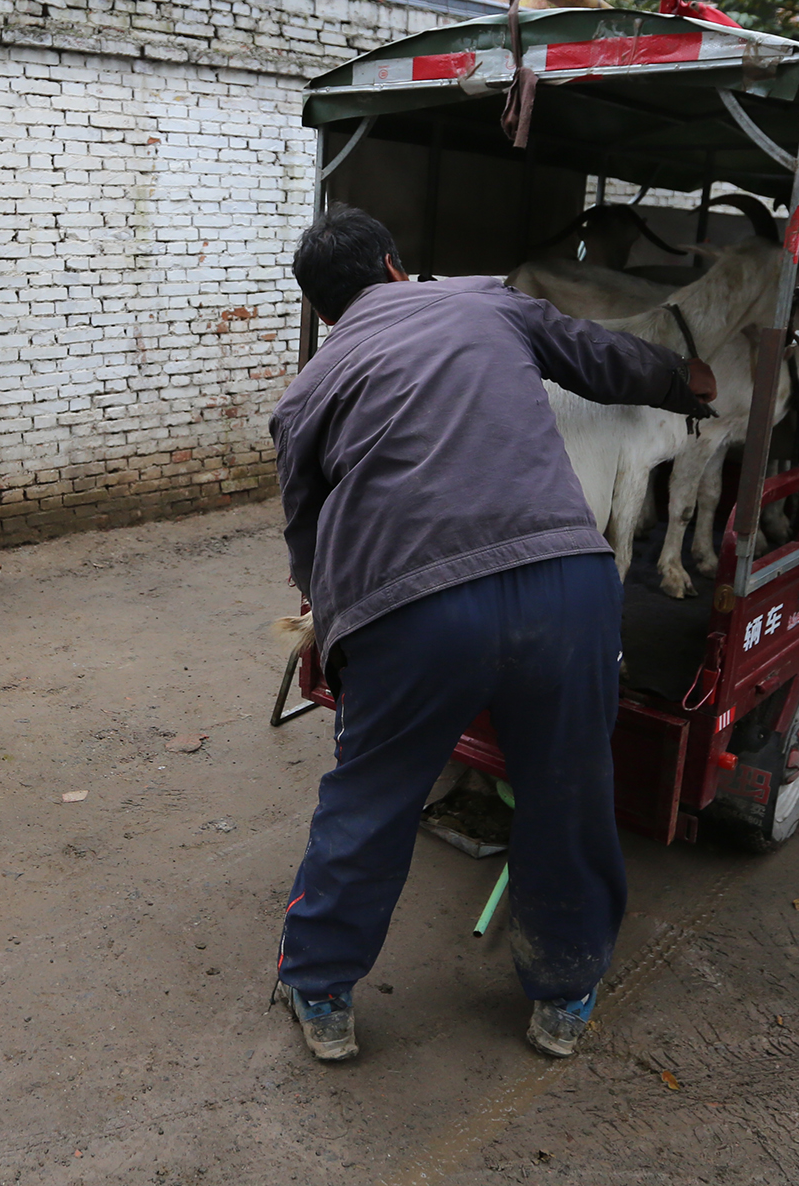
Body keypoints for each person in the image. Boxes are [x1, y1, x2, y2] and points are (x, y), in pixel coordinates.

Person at [269, 207, 718, 1062]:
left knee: (369, 799)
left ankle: (322, 989)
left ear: (326, 313)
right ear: (398, 267)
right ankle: (564, 994)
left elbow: (307, 535)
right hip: (567, 584)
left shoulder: (308, 392)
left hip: (415, 611)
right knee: (569, 792)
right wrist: (680, 381)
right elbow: (601, 359)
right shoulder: (485, 303)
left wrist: (337, 615)